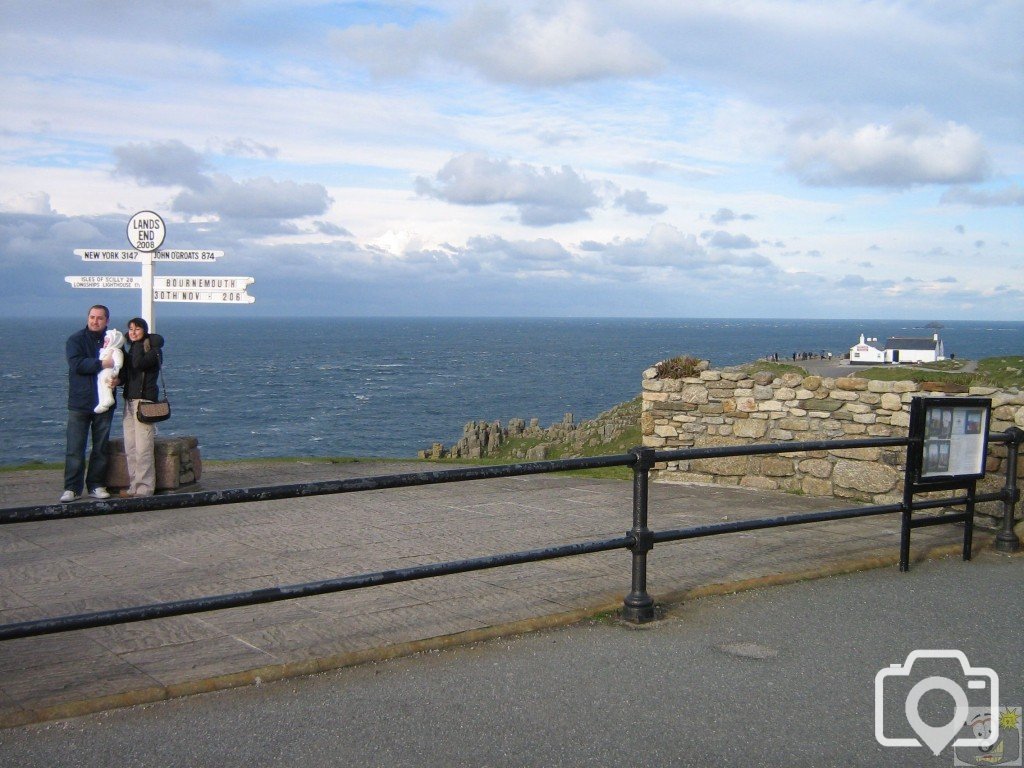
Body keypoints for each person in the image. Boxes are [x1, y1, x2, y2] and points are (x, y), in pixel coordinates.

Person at [62, 305, 118, 502]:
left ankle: (96, 485)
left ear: (107, 321)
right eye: (92, 317)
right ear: (87, 318)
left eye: (100, 318)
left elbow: (121, 367)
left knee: (100, 447)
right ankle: (72, 488)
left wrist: (118, 380)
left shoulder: (114, 341)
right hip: (79, 402)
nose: (95, 321)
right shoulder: (75, 340)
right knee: (75, 448)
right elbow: (77, 364)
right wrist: (102, 364)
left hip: (104, 403)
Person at [117, 317, 164, 497]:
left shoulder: (153, 351)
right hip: (129, 402)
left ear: (144, 330)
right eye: (130, 329)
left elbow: (138, 364)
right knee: (131, 447)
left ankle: (144, 488)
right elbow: (128, 372)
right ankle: (133, 485)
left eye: (137, 329)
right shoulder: (133, 349)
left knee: (143, 448)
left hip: (145, 402)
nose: (133, 332)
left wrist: (136, 345)